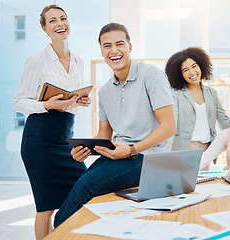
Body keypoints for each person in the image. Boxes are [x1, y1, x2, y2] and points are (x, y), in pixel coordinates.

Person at [53, 22, 176, 228]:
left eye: (119, 44)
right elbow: (104, 134)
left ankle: (57, 232)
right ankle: (66, 230)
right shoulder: (104, 92)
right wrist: (86, 149)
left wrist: (131, 149)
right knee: (80, 184)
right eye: (107, 45)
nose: (114, 50)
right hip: (118, 153)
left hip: (148, 157)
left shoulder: (151, 75)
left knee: (86, 185)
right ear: (101, 51)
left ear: (130, 46)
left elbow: (169, 127)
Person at [12, 5, 91, 240]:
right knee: (46, 208)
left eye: (63, 19)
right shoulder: (36, 61)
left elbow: (69, 106)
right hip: (40, 140)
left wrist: (79, 102)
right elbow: (18, 102)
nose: (60, 24)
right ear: (45, 29)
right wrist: (48, 105)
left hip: (64, 137)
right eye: (53, 21)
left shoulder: (78, 61)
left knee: (83, 191)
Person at [165, 47, 230, 169]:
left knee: (203, 187)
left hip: (206, 150)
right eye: (185, 70)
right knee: (185, 187)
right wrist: (164, 154)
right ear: (180, 74)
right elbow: (171, 124)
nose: (192, 72)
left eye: (194, 66)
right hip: (183, 149)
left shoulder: (211, 93)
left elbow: (224, 121)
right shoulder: (175, 94)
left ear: (201, 66)